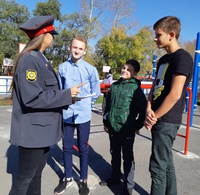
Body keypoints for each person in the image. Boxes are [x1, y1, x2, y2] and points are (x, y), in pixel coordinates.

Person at [9, 15, 83, 195]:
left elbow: (44, 92)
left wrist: (67, 98)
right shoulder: (29, 59)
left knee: (36, 176)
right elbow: (32, 97)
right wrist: (66, 94)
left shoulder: (39, 58)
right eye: (52, 34)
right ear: (43, 35)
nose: (53, 37)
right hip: (32, 134)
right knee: (23, 182)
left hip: (40, 133)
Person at [144, 16, 193, 195]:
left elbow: (175, 94)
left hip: (167, 120)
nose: (155, 38)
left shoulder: (183, 58)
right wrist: (148, 108)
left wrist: (154, 117)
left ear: (171, 35)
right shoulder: (164, 60)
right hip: (157, 117)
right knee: (167, 163)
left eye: (158, 35)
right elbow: (155, 88)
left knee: (157, 168)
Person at [54, 35, 101, 195]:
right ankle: (67, 177)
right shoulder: (62, 68)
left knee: (83, 148)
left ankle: (83, 179)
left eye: (80, 48)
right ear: (70, 48)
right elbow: (60, 90)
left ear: (85, 50)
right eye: (75, 47)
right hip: (67, 113)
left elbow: (96, 91)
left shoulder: (90, 69)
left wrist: (87, 104)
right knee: (66, 147)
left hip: (83, 114)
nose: (77, 50)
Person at [99, 59, 147, 195]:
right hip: (113, 128)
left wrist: (136, 125)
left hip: (127, 129)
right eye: (124, 68)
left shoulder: (135, 89)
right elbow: (107, 107)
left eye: (129, 70)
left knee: (127, 157)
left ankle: (128, 184)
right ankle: (115, 177)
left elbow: (143, 110)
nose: (124, 71)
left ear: (135, 73)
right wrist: (106, 123)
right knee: (114, 154)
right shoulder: (114, 86)